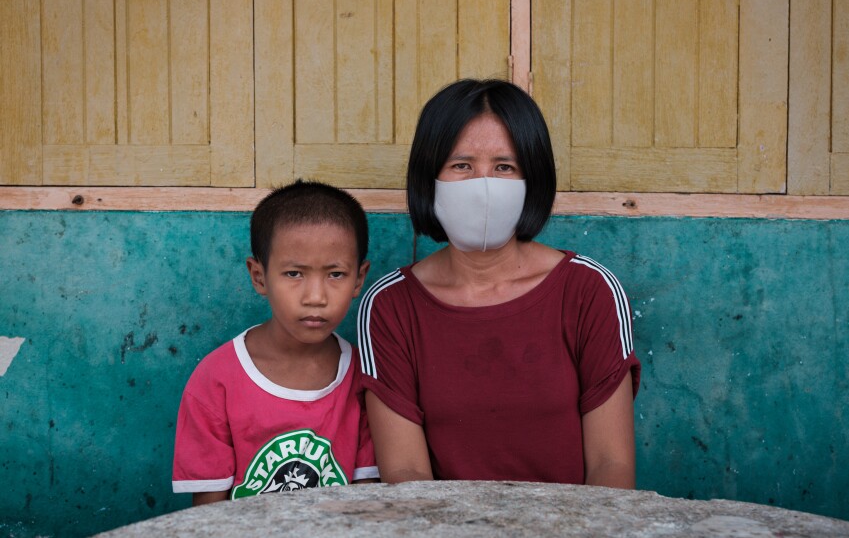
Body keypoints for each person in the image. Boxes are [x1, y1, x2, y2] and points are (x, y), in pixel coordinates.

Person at [357, 79, 641, 487]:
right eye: (462, 166)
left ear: (534, 179)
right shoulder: (390, 305)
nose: (483, 185)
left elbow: (610, 466)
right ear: (428, 177)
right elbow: (406, 475)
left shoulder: (589, 289)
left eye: (504, 167)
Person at [173, 180, 378, 505]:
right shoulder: (216, 381)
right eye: (294, 274)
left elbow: (367, 501)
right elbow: (207, 516)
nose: (315, 297)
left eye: (336, 274)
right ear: (259, 276)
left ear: (360, 279)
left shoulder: (364, 377)